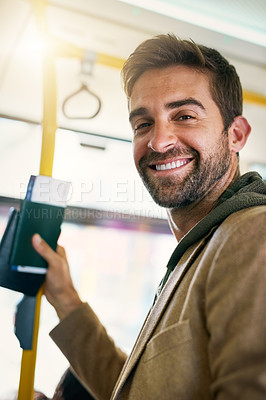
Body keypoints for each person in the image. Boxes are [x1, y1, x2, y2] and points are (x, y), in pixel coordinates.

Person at [32, 34, 266, 399]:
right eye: (143, 124)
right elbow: (135, 391)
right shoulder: (196, 251)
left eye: (184, 116)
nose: (158, 141)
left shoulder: (252, 233)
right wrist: (65, 299)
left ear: (235, 135)